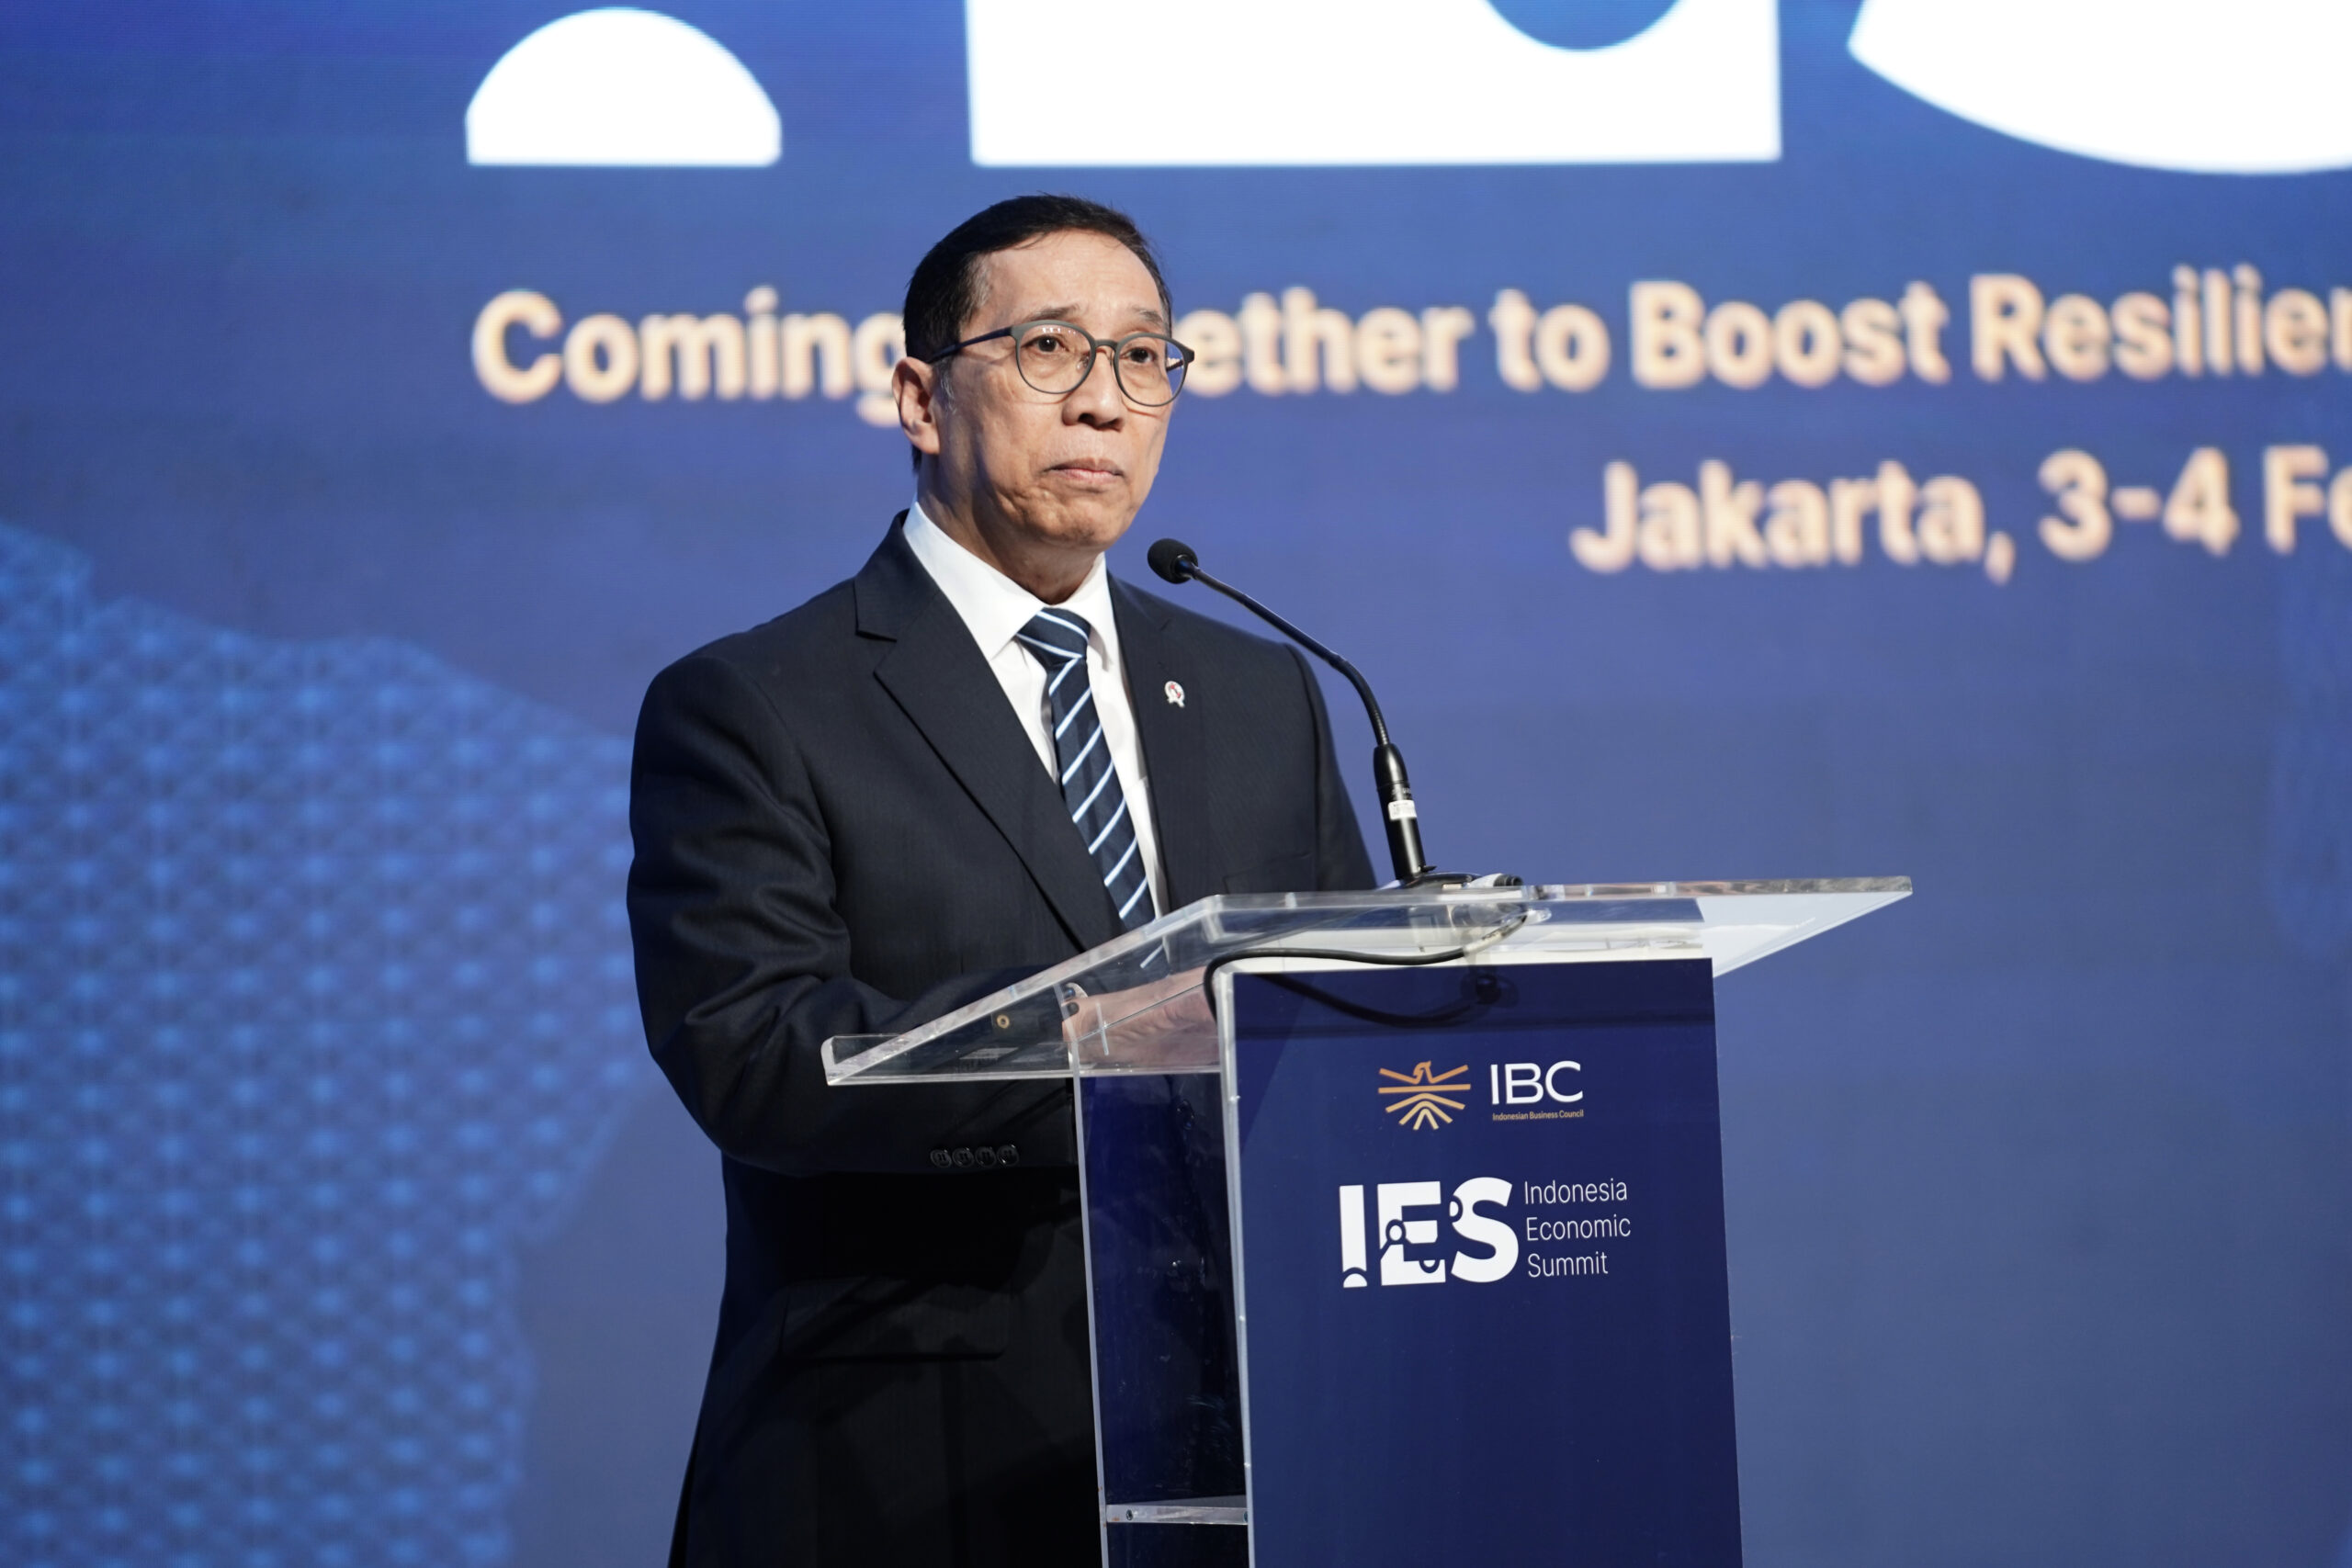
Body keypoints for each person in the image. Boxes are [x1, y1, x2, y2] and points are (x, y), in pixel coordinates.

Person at [627, 193, 1374, 1568]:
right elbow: (755, 1059)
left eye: (1142, 357)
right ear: (921, 400)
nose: (1103, 400)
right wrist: (1117, 1033)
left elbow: (1336, 1023)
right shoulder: (758, 702)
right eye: (1049, 349)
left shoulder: (1263, 692)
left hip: (1250, 1453)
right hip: (908, 1472)